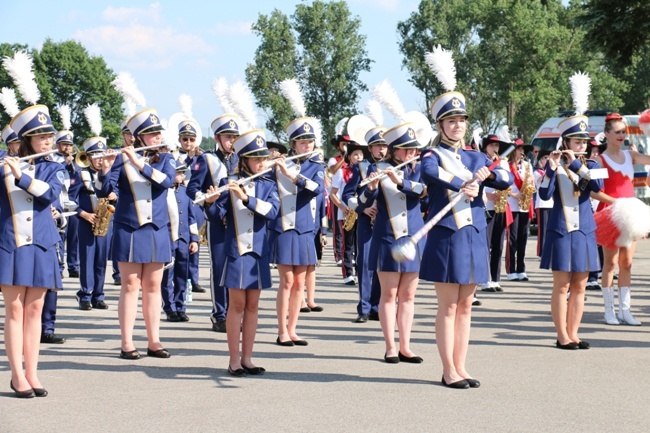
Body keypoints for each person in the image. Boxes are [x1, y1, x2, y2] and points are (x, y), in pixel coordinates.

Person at [420, 87, 512, 388]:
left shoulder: (475, 157)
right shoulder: (432, 154)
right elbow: (431, 174)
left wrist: (490, 177)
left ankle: (461, 366)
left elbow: (504, 180)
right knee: (448, 305)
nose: (457, 125)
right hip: (447, 234)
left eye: (461, 120)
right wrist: (465, 183)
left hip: (472, 234)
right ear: (440, 125)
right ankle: (448, 370)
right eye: (450, 121)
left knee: (467, 305)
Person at [98, 108, 175, 359]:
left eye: (157, 133)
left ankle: (154, 341)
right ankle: (127, 342)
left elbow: (165, 181)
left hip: (157, 228)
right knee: (130, 285)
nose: (156, 137)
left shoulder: (166, 158)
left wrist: (137, 161)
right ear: (138, 137)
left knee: (153, 285)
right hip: (129, 227)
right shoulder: (120, 158)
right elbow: (104, 192)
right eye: (150, 134)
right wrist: (106, 169)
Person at [204, 129, 279, 376]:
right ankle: (234, 360)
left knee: (253, 305)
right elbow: (216, 219)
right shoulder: (230, 182)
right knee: (236, 305)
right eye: (256, 159)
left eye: (263, 158)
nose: (262, 163)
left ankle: (248, 358)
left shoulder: (269, 184)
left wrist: (245, 198)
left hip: (258, 251)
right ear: (244, 160)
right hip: (235, 251)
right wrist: (211, 202)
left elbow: (271, 212)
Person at [1, 104, 64, 398]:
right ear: (26, 140)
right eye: (40, 137)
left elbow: (49, 194)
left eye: (49, 135)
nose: (48, 141)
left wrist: (21, 176)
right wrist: (8, 167)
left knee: (35, 309)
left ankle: (33, 372)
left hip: (41, 242)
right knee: (14, 309)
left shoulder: (55, 166)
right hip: (10, 242)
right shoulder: (4, 164)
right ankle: (17, 375)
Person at [357, 122, 426, 364]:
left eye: (413, 149)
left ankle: (406, 346)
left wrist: (400, 181)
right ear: (394, 150)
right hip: (387, 236)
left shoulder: (418, 169)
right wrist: (372, 187)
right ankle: (390, 346)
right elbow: (361, 202)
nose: (411, 154)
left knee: (408, 295)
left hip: (413, 238)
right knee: (389, 294)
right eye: (405, 150)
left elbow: (422, 191)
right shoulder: (375, 168)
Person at [539, 114, 604, 349]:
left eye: (584, 142)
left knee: (580, 285)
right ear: (565, 142)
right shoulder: (554, 166)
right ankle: (562, 335)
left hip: (585, 230)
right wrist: (551, 169)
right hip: (561, 229)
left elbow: (596, 187)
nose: (582, 145)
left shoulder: (593, 165)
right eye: (577, 142)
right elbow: (544, 195)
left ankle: (574, 333)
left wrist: (575, 163)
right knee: (562, 285)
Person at [271, 117, 325, 346]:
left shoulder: (316, 167)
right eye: (302, 142)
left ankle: (293, 329)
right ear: (293, 144)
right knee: (286, 280)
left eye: (310, 141)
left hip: (304, 227)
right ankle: (282, 330)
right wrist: (274, 165)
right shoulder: (280, 164)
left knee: (299, 283)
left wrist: (291, 174)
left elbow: (316, 188)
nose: (307, 145)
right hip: (284, 226)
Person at [594, 113, 650, 325]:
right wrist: (616, 202)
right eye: (616, 132)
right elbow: (594, 191)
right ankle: (609, 310)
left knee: (627, 263)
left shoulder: (631, 155)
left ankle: (625, 310)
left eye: (623, 131)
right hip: (612, 213)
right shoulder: (600, 160)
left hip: (632, 215)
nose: (621, 135)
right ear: (607, 134)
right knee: (610, 264)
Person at [186, 114, 239, 333]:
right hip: (218, 220)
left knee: (237, 269)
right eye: (228, 137)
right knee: (219, 269)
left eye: (235, 137)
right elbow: (191, 189)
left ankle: (236, 313)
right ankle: (219, 314)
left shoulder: (242, 158)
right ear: (217, 138)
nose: (232, 142)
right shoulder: (206, 159)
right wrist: (206, 198)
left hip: (240, 221)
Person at [342, 125, 387, 322]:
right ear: (370, 148)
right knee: (365, 263)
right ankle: (364, 308)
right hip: (366, 222)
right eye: (377, 146)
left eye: (384, 146)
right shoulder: (360, 167)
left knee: (382, 265)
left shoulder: (394, 166)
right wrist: (362, 209)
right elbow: (347, 195)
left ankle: (377, 306)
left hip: (387, 222)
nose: (381, 150)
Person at [71, 135, 114, 310]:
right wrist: (83, 214)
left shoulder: (110, 173)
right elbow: (68, 200)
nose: (99, 160)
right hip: (86, 221)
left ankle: (98, 295)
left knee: (101, 260)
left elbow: (119, 191)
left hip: (104, 221)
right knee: (87, 259)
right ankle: (85, 295)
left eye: (102, 156)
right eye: (95, 157)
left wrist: (115, 195)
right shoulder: (79, 174)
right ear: (87, 158)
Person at [162, 164, 199, 322]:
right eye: (179, 172)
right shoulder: (163, 192)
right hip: (168, 239)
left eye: (183, 173)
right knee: (167, 275)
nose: (182, 175)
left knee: (182, 275)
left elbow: (191, 217)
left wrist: (194, 239)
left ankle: (181, 306)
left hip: (184, 239)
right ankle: (170, 307)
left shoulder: (185, 192)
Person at [176, 119, 206, 295]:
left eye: (191, 139)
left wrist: (197, 158)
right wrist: (189, 158)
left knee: (195, 242)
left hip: (195, 203)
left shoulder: (201, 156)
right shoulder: (174, 156)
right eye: (185, 139)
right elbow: (178, 170)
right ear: (179, 139)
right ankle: (179, 279)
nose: (188, 143)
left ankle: (193, 279)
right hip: (180, 200)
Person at [330, 141, 366, 285]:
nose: (358, 157)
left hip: (362, 211)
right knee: (348, 244)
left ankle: (359, 272)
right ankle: (348, 274)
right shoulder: (342, 171)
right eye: (355, 154)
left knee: (360, 244)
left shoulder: (366, 170)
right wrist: (342, 207)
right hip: (346, 212)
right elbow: (333, 193)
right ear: (349, 157)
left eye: (361, 154)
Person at [480, 134, 512, 293]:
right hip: (487, 208)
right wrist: (486, 195)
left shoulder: (502, 163)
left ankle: (495, 278)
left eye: (497, 146)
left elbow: (508, 182)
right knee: (486, 245)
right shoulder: (480, 161)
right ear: (485, 147)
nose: (495, 149)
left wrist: (505, 193)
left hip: (501, 207)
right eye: (492, 146)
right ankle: (484, 279)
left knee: (499, 245)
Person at [505, 138, 535, 281]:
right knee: (512, 238)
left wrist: (530, 187)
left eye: (524, 150)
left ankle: (521, 269)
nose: (522, 152)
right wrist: (514, 194)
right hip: (512, 203)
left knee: (523, 237)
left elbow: (532, 182)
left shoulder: (528, 166)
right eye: (519, 149)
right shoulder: (507, 165)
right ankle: (511, 270)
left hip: (525, 204)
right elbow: (503, 184)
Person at [533, 150, 553, 258]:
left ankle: (550, 251)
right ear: (541, 160)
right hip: (542, 204)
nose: (548, 160)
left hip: (552, 203)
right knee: (543, 230)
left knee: (551, 230)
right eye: (545, 157)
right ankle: (541, 252)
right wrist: (550, 170)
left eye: (549, 158)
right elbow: (541, 180)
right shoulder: (537, 172)